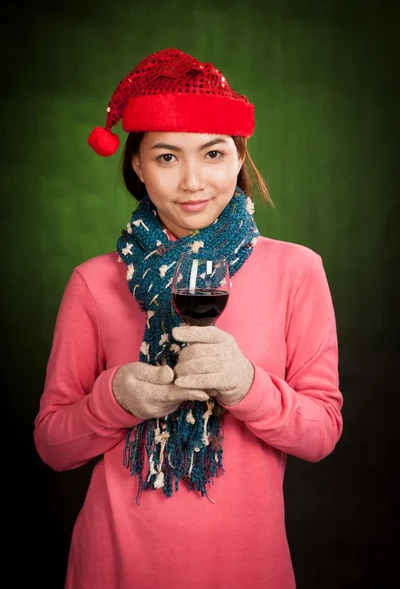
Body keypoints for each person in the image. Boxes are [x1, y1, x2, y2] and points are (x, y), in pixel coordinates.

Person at [34, 47, 343, 589]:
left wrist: (246, 384)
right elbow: (52, 446)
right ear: (136, 163)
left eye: (214, 154)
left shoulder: (298, 271)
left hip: (247, 569)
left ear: (240, 157)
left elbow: (320, 435)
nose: (194, 182)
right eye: (168, 157)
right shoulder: (93, 281)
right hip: (114, 567)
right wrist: (115, 399)